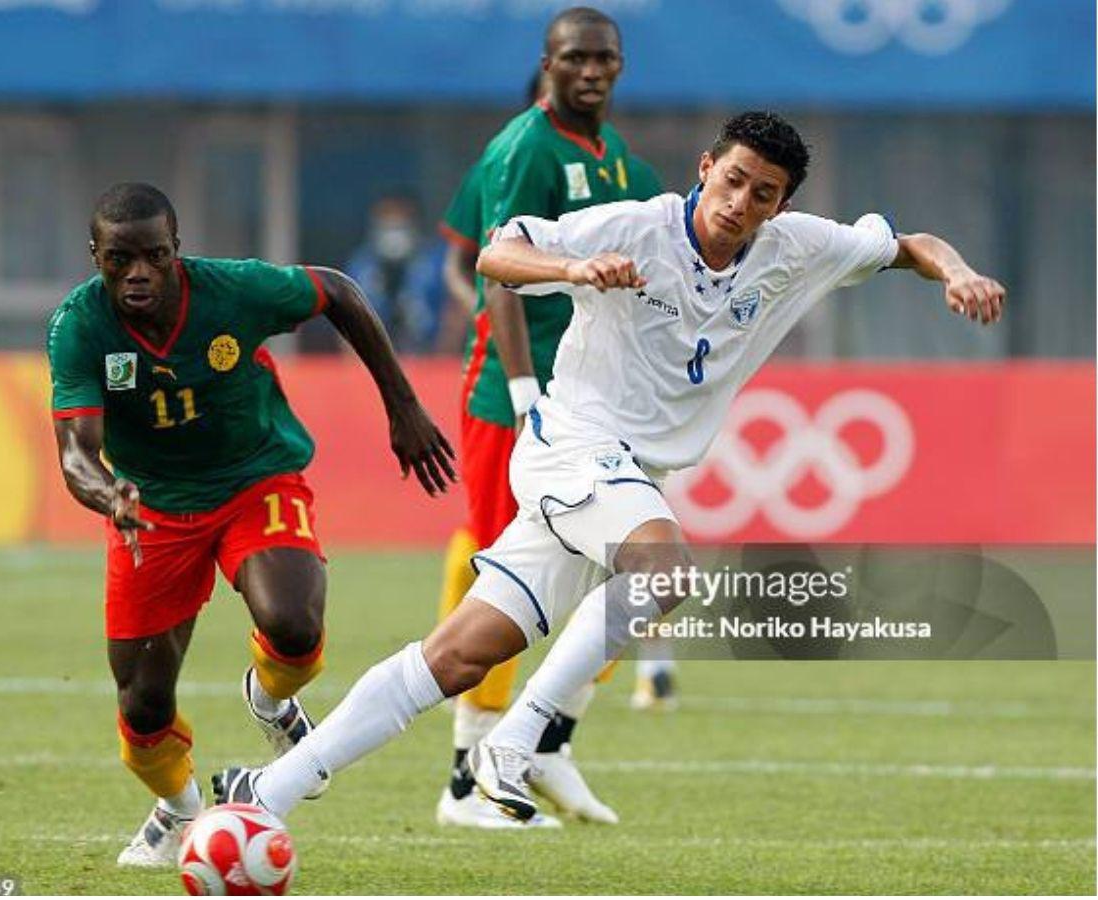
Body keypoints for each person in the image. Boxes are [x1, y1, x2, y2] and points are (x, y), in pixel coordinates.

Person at [211, 109, 1004, 825]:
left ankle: (271, 790)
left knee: (457, 655)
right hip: (572, 446)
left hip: (625, 478)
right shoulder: (635, 225)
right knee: (666, 572)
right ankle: (517, 742)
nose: (741, 202)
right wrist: (573, 271)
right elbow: (497, 254)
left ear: (782, 206)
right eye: (732, 180)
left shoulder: (800, 248)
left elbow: (911, 246)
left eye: (763, 193)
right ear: (704, 168)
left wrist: (958, 272)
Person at [46, 182, 454, 867]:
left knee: (295, 625)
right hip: (151, 509)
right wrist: (108, 492)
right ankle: (179, 809)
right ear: (96, 256)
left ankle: (268, 700)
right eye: (120, 259)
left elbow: (339, 292)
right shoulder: (79, 327)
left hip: (254, 479)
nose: (138, 273)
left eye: (154, 256)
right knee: (143, 705)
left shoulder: (234, 291)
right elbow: (75, 455)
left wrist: (403, 405)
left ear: (178, 251)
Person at [431, 6, 664, 828]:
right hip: (514, 397)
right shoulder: (523, 147)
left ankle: (550, 745)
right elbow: (498, 268)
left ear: (621, 66)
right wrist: (525, 391)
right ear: (548, 64)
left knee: (617, 579)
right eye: (575, 58)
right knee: (507, 579)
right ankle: (466, 777)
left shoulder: (618, 159)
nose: (591, 71)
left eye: (604, 58)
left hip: (594, 400)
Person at [346, 193, 448, 354]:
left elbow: (452, 313)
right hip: (375, 356)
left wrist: (442, 358)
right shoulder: (362, 264)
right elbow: (345, 314)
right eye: (387, 223)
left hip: (426, 355)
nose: (393, 232)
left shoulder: (434, 261)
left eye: (400, 225)